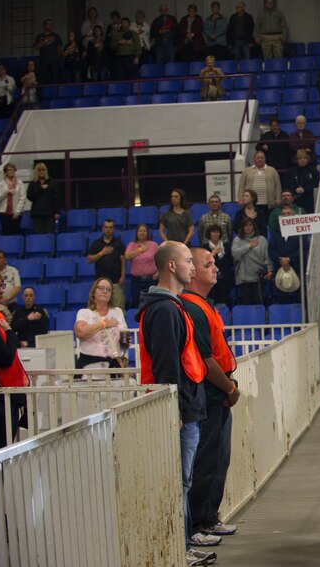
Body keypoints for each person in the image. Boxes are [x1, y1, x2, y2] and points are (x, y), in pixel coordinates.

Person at [137, 241, 212, 566]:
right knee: (179, 482)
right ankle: (179, 550)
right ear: (171, 266)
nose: (192, 267)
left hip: (185, 407)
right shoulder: (166, 309)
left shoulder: (170, 306)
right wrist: (177, 411)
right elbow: (168, 366)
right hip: (180, 411)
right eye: (186, 261)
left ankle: (182, 548)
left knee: (184, 481)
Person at [182, 248, 240, 547]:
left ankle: (208, 517)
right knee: (204, 463)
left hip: (219, 393)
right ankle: (196, 526)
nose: (216, 268)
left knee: (218, 460)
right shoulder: (192, 307)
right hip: (209, 395)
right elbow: (205, 360)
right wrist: (229, 388)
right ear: (192, 272)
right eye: (209, 264)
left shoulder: (205, 305)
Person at [0, 269, 29, 450]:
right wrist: (9, 332)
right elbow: (6, 357)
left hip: (5, 396)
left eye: (2, 286)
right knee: (0, 455)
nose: (1, 291)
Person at [73, 277, 128, 372]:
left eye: (108, 289)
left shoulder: (117, 312)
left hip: (113, 366)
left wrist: (124, 345)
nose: (105, 291)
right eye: (101, 288)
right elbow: (80, 333)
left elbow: (124, 338)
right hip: (89, 368)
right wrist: (103, 324)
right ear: (94, 292)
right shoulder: (84, 313)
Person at [87, 219, 127, 311]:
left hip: (115, 282)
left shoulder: (118, 243)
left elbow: (123, 260)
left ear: (113, 229)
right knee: (97, 309)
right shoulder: (96, 243)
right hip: (100, 282)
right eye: (106, 227)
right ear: (102, 229)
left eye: (110, 227)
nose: (108, 229)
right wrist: (101, 253)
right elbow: (89, 259)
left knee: (118, 309)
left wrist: (123, 277)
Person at [231, 217, 272, 305]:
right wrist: (248, 246)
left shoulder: (261, 240)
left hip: (258, 277)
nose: (248, 227)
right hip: (243, 278)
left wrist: (270, 270)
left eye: (250, 225)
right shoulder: (237, 240)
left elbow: (267, 257)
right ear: (242, 228)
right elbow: (235, 253)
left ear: (254, 226)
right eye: (245, 226)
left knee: (258, 303)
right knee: (247, 303)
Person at [238, 151, 281, 223]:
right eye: (257, 158)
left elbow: (278, 186)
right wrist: (240, 199)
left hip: (268, 204)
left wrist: (278, 199)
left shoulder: (272, 170)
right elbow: (241, 186)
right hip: (251, 204)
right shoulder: (247, 171)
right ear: (254, 159)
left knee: (266, 223)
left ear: (265, 159)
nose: (260, 159)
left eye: (262, 158)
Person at [126, 224, 159, 309]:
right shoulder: (132, 245)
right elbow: (127, 256)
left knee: (152, 304)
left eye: (144, 231)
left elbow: (161, 259)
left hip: (151, 280)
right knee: (137, 304)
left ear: (147, 233)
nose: (142, 233)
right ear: (137, 233)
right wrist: (140, 250)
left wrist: (158, 273)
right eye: (140, 231)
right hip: (136, 281)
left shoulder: (153, 245)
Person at [202, 225, 233, 306]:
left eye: (217, 232)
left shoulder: (226, 246)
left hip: (225, 280)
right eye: (213, 232)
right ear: (209, 234)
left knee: (225, 303)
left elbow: (231, 261)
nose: (215, 234)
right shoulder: (205, 247)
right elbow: (203, 263)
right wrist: (212, 254)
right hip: (211, 281)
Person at [26, 162, 59, 234]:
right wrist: (40, 188)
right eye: (39, 170)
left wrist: (56, 211)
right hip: (37, 214)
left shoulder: (52, 182)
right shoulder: (33, 183)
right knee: (39, 235)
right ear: (36, 172)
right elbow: (30, 197)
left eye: (43, 170)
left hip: (49, 213)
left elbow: (56, 198)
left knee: (49, 234)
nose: (41, 172)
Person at [0, 163, 26, 236]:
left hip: (16, 213)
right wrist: (6, 191)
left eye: (13, 170)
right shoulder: (1, 183)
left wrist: (17, 212)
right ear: (5, 172)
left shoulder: (20, 183)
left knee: (15, 233)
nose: (11, 171)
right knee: (6, 233)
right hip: (4, 213)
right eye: (9, 170)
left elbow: (22, 198)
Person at [285, 149, 319, 214]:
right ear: (297, 160)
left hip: (308, 198)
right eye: (300, 158)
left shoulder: (312, 170)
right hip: (295, 198)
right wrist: (295, 189)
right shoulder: (290, 171)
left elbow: (316, 182)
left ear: (307, 159)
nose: (302, 160)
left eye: (304, 158)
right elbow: (287, 183)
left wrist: (305, 189)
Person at [34, 18, 63, 85]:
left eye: (51, 24)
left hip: (54, 61)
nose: (49, 26)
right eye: (48, 24)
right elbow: (36, 47)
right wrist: (44, 42)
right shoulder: (39, 36)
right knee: (43, 80)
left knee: (55, 80)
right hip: (43, 61)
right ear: (44, 25)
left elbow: (59, 47)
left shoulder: (56, 35)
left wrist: (58, 57)